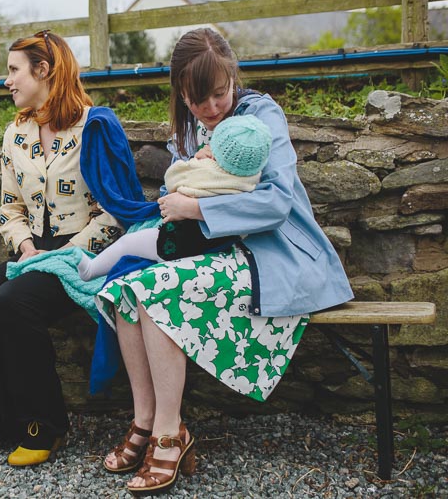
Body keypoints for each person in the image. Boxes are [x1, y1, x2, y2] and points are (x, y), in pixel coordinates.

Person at [97, 28, 353, 495]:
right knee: (121, 291)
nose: (212, 108)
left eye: (219, 93)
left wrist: (193, 208)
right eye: (198, 100)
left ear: (232, 77)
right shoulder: (187, 128)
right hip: (217, 252)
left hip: (276, 256)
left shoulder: (260, 116)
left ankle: (170, 435)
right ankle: (146, 418)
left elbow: (275, 203)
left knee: (156, 292)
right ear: (180, 92)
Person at [0, 30, 160, 467]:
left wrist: (67, 252)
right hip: (33, 250)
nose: (7, 81)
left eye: (14, 70)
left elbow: (117, 209)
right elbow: (9, 206)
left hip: (85, 255)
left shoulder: (96, 126)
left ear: (44, 70)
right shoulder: (15, 132)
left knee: (14, 302)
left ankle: (42, 427)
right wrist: (27, 247)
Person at [78, 114, 271, 280]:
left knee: (129, 243)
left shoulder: (207, 170)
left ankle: (90, 270)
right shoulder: (252, 180)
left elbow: (173, 179)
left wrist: (196, 159)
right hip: (217, 245)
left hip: (178, 242)